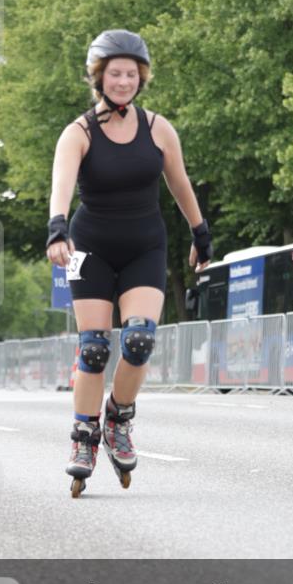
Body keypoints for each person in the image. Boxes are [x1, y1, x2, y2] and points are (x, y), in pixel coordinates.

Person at [46, 29, 213, 497]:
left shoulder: (159, 128)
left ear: (142, 78)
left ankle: (119, 416)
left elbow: (180, 184)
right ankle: (84, 437)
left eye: (132, 73)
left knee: (139, 339)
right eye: (115, 73)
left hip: (145, 245)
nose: (124, 81)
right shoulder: (77, 132)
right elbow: (61, 184)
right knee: (95, 347)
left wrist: (201, 233)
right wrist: (56, 228)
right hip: (89, 248)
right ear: (99, 78)